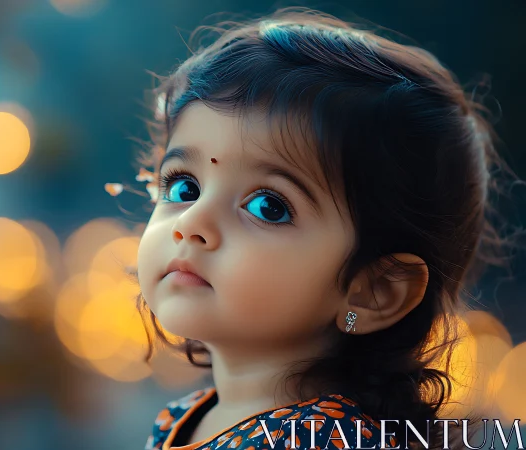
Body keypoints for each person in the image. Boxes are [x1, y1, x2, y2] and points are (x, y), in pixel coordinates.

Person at [120, 6, 521, 450]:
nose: (192, 223)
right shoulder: (187, 417)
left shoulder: (323, 440)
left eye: (268, 206)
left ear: (373, 291)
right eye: (184, 187)